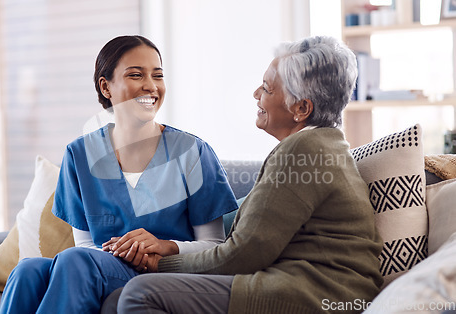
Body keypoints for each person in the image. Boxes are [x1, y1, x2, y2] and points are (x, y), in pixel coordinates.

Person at [115, 36, 384, 314]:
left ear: (301, 109)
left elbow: (243, 254)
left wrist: (160, 264)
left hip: (319, 292)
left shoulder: (303, 152)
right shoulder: (321, 145)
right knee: (117, 299)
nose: (256, 94)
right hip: (313, 287)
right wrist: (168, 243)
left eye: (267, 88)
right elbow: (242, 224)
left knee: (141, 292)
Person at [0, 35, 238, 314]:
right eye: (136, 75)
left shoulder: (192, 152)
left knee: (77, 261)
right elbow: (86, 246)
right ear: (106, 87)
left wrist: (164, 246)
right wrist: (120, 251)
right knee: (27, 270)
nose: (150, 85)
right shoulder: (79, 155)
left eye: (157, 75)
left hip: (164, 275)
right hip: (99, 267)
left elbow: (214, 246)